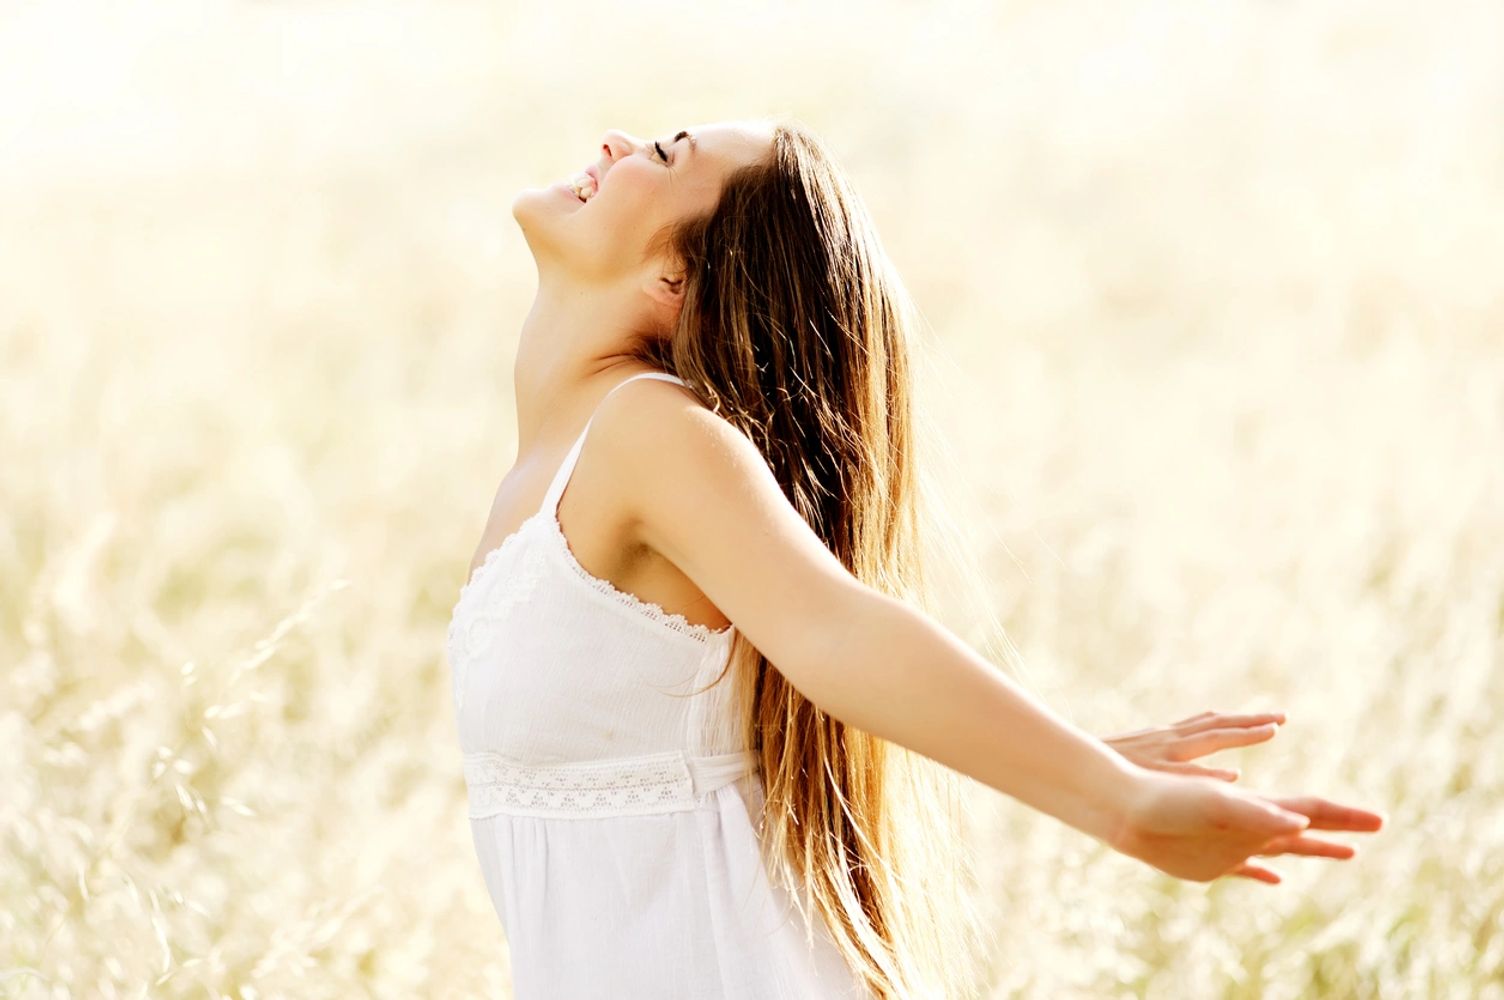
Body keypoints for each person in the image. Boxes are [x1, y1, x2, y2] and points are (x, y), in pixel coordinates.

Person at [445, 118, 1385, 1000]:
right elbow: (725, 749)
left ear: (675, 279)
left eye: (662, 150)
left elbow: (835, 629)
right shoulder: (557, 463)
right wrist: (1073, 754)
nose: (615, 142)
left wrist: (1119, 803)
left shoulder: (647, 435)